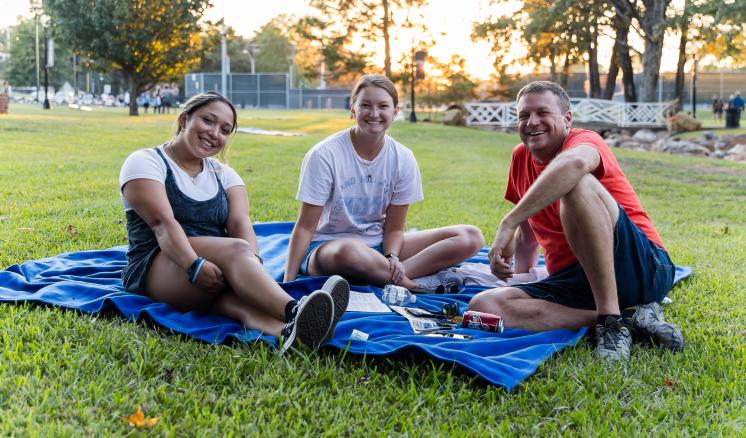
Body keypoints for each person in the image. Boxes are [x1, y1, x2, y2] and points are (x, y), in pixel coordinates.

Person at [119, 91, 349, 353]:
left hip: (214, 268)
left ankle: (289, 333)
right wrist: (194, 265)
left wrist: (250, 269)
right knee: (238, 250)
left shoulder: (224, 174)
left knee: (235, 300)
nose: (214, 133)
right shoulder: (146, 162)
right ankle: (295, 310)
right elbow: (162, 224)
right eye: (208, 121)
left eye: (225, 130)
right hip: (158, 266)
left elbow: (241, 224)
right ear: (184, 119)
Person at [468, 81, 683, 361]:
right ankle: (627, 319)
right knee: (484, 304)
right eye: (523, 115)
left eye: (542, 113)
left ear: (567, 119)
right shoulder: (520, 157)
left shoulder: (585, 141)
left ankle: (610, 320)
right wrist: (517, 274)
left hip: (642, 267)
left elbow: (574, 166)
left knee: (576, 185)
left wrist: (507, 222)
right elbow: (528, 234)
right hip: (575, 280)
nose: (532, 122)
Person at [284, 74, 484, 290]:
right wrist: (287, 282)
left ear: (395, 111)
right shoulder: (324, 154)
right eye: (365, 105)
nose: (375, 113)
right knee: (351, 252)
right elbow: (305, 227)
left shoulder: (403, 157)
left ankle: (389, 274)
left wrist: (393, 256)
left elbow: (395, 228)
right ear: (353, 108)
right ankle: (412, 285)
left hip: (379, 246)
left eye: (383, 106)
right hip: (327, 249)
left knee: (470, 236)